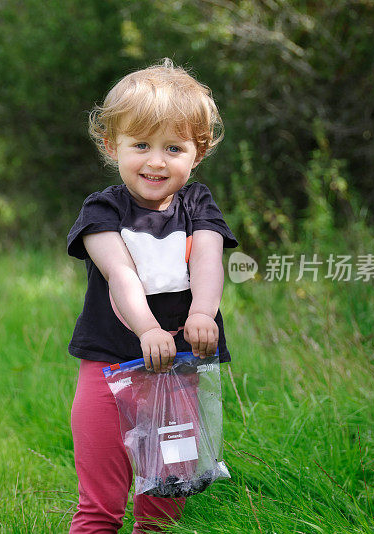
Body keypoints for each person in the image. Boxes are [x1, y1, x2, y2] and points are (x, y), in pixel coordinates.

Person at [66, 58, 239, 533]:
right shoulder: (103, 209)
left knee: (164, 503)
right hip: (109, 368)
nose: (156, 161)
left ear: (197, 153)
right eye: (140, 145)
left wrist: (203, 311)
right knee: (100, 505)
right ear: (111, 145)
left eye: (174, 147)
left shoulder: (198, 204)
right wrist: (147, 328)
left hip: (177, 373)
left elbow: (207, 256)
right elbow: (121, 274)